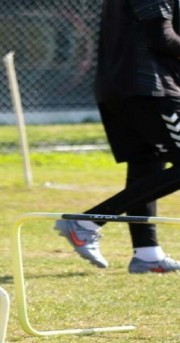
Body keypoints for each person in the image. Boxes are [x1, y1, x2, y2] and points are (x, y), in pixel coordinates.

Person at [54, 0, 180, 273]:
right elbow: (161, 37)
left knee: (145, 166)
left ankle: (148, 253)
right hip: (149, 88)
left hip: (120, 87)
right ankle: (86, 222)